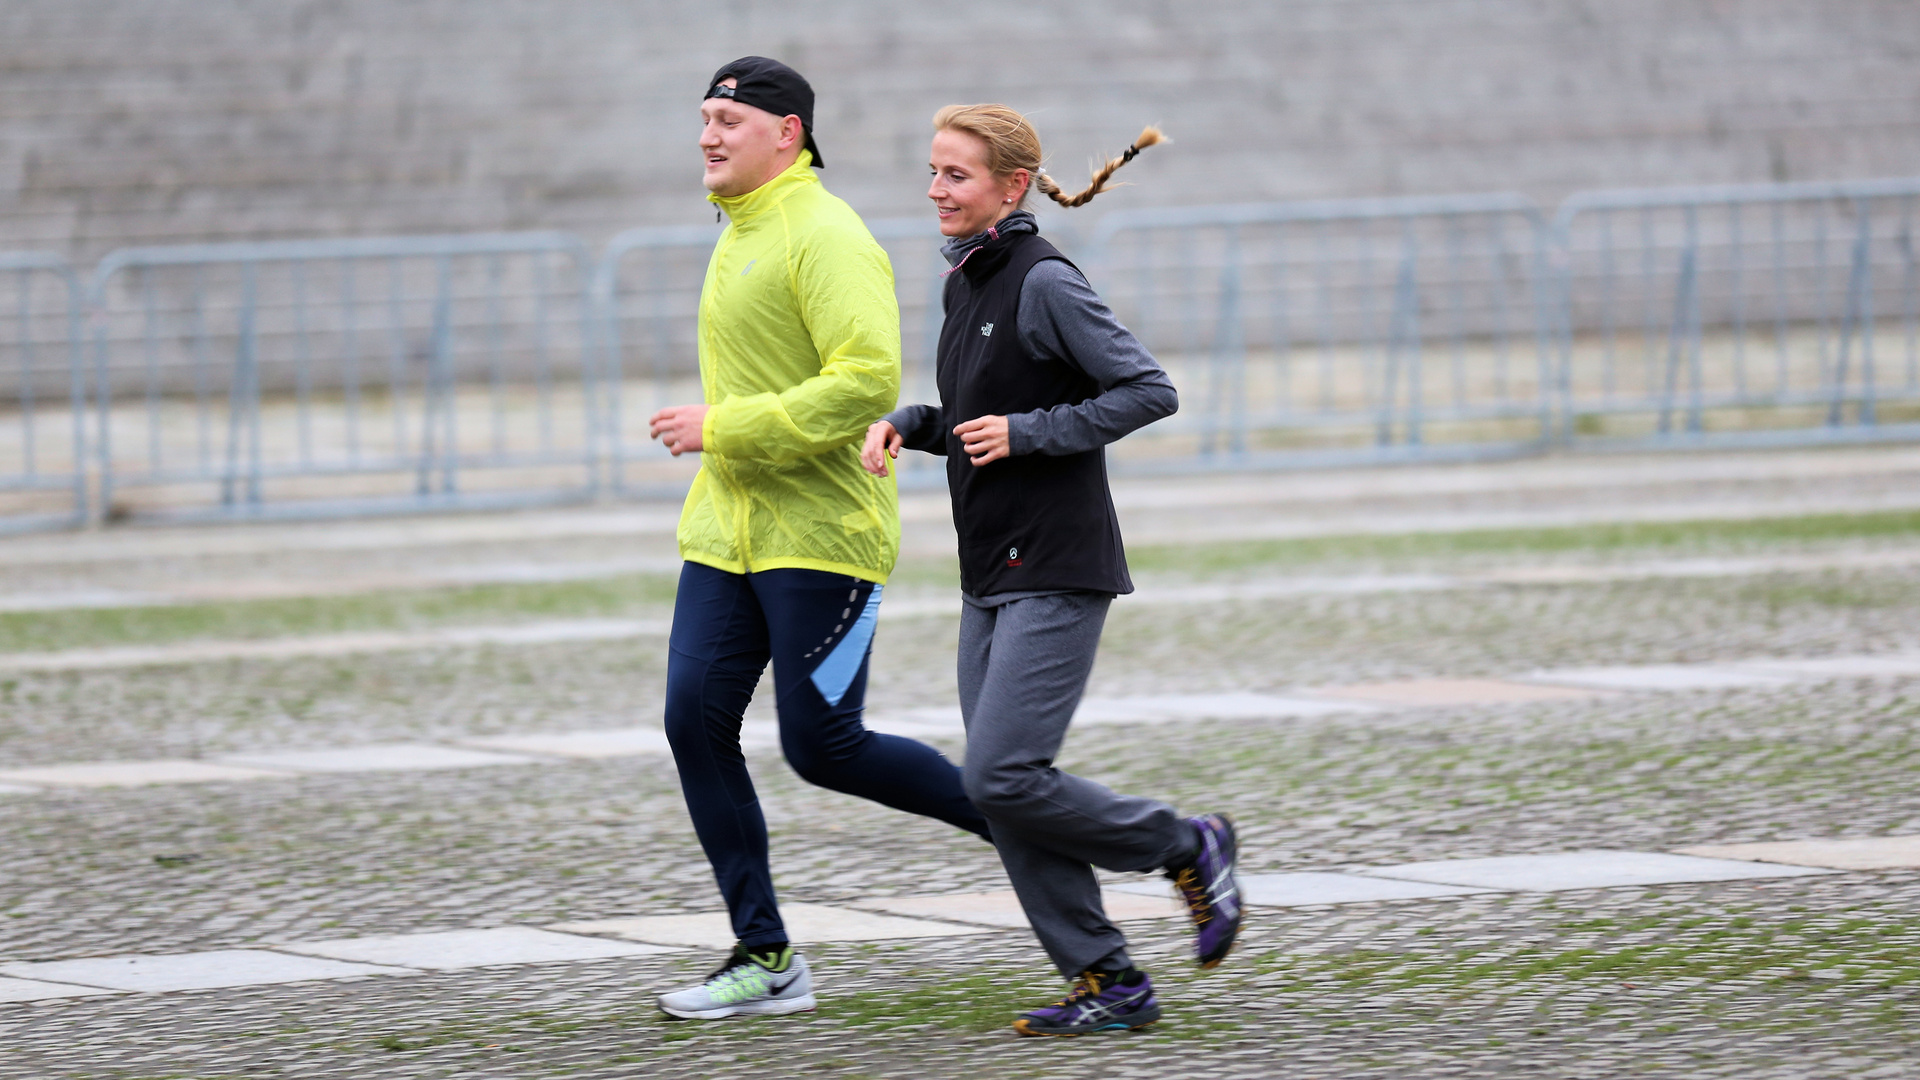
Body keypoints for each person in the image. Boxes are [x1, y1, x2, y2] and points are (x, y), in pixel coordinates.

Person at [860, 105, 1242, 1037]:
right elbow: (982, 413)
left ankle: (1185, 844)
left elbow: (1148, 389)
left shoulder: (1042, 280)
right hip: (987, 568)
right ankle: (1108, 981)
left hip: (1058, 564)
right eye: (934, 171)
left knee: (1001, 776)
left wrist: (1029, 435)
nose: (936, 190)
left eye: (956, 175)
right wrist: (918, 425)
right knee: (1007, 789)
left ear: (1010, 187)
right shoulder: (967, 284)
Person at [651, 58, 992, 1021]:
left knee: (826, 746)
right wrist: (728, 447)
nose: (709, 136)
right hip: (726, 533)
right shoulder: (741, 228)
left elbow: (861, 381)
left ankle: (1035, 827)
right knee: (692, 721)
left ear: (787, 132)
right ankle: (765, 956)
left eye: (727, 119)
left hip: (822, 535)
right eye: (703, 119)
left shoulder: (826, 234)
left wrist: (724, 426)